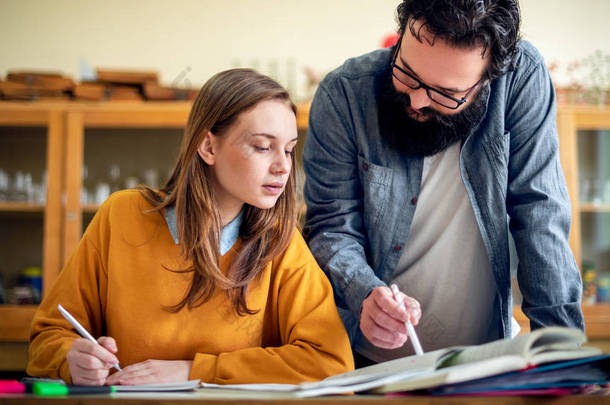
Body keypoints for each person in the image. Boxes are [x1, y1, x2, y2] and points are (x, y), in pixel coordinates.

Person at [27, 69, 354, 385]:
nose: (284, 166)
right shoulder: (121, 215)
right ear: (208, 147)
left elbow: (330, 363)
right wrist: (71, 358)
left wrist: (195, 371)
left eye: (288, 148)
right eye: (262, 146)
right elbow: (47, 340)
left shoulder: (281, 243)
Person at [302, 0, 584, 366]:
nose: (417, 100)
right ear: (401, 34)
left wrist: (562, 361)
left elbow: (541, 215)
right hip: (367, 359)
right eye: (406, 73)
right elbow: (331, 226)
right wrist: (364, 293)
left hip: (487, 356)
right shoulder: (344, 95)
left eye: (446, 93)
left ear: (488, 78)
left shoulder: (521, 77)